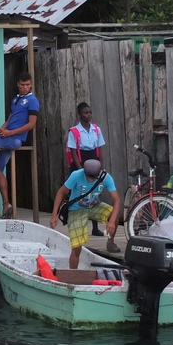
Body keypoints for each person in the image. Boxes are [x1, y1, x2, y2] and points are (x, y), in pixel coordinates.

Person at [0, 73, 40, 218]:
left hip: (14, 139)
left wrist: (10, 133)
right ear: (18, 84)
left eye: (28, 85)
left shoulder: (32, 100)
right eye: (23, 85)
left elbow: (31, 124)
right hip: (8, 136)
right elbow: (10, 118)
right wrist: (3, 128)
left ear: (31, 85)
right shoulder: (16, 99)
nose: (25, 87)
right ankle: (7, 204)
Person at [49, 158, 121, 269]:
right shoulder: (76, 175)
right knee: (77, 247)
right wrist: (54, 215)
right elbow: (61, 192)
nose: (91, 180)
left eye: (94, 178)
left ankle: (110, 241)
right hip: (76, 209)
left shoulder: (106, 178)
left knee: (113, 214)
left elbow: (117, 200)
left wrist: (111, 221)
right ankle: (73, 274)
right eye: (88, 177)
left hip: (94, 205)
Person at [65, 102, 109, 243]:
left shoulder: (96, 130)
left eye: (90, 112)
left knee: (95, 193)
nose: (88, 115)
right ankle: (74, 222)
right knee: (79, 194)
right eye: (85, 113)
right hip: (80, 161)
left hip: (93, 159)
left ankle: (95, 227)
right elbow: (73, 151)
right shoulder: (74, 131)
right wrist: (80, 170)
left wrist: (100, 166)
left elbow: (99, 149)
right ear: (79, 115)